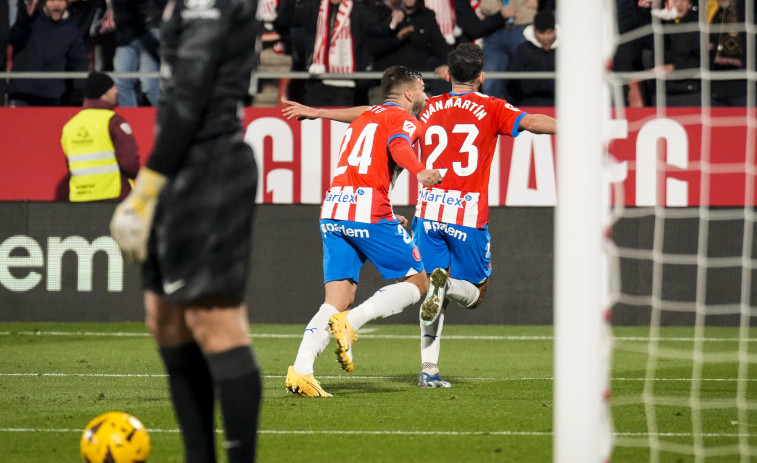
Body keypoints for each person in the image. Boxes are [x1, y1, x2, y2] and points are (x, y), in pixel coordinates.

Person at [282, 43, 556, 389]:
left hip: (421, 210)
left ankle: (424, 368)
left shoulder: (427, 109)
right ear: (482, 76)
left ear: (446, 74)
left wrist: (320, 112)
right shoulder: (491, 107)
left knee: (410, 289)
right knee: (466, 291)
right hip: (464, 211)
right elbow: (531, 121)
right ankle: (377, 314)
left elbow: (371, 113)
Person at [109, 1, 262, 462]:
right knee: (165, 318)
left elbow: (192, 88)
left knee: (215, 322)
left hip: (211, 166)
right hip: (180, 164)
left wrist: (144, 191)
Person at [283, 66, 443, 398]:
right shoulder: (402, 119)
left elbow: (364, 118)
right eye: (423, 88)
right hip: (367, 210)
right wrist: (420, 170)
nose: (426, 95)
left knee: (336, 299)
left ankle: (301, 370)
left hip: (334, 208)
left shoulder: (368, 116)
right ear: (409, 94)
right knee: (420, 282)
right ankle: (351, 323)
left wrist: (318, 113)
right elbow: (400, 145)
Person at [61, 72, 140, 202]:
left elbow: (71, 165)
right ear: (103, 93)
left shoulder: (69, 126)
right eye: (112, 87)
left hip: (80, 199)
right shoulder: (113, 122)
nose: (116, 90)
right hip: (113, 195)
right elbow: (130, 164)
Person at [7, 0, 89, 106]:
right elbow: (13, 39)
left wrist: (78, 92)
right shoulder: (31, 21)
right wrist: (23, 18)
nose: (56, 5)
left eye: (60, 1)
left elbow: (79, 64)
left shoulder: (72, 31)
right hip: (22, 94)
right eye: (52, 0)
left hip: (51, 97)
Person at [111, 0, 165, 106]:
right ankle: (128, 121)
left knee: (149, 84)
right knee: (121, 84)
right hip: (126, 34)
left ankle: (168, 119)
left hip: (151, 28)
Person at [507, 9, 557, 106]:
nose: (546, 37)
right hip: (529, 104)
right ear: (534, 31)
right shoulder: (523, 50)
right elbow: (512, 81)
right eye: (542, 33)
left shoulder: (566, 51)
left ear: (555, 30)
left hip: (559, 104)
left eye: (549, 32)